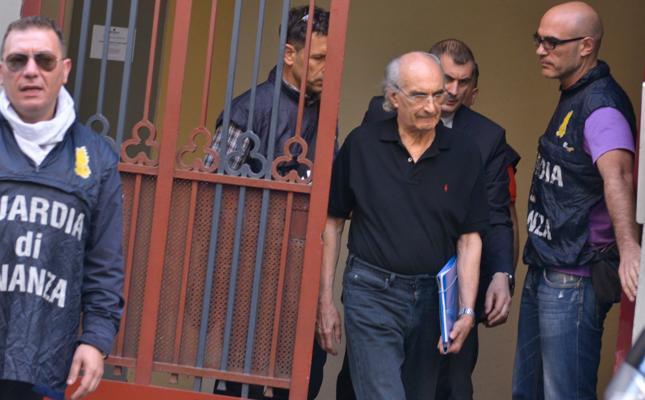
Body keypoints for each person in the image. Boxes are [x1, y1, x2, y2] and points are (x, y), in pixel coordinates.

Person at [337, 39, 518, 400]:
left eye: (462, 83)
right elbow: (347, 199)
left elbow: (493, 217)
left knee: (438, 387)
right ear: (396, 95)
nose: (450, 92)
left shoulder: (483, 140)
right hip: (375, 283)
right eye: (445, 80)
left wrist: (500, 276)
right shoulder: (375, 123)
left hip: (439, 291)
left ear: (474, 89)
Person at [512, 2, 640, 399]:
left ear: (586, 46)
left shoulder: (601, 104)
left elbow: (619, 176)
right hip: (547, 265)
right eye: (538, 40)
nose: (540, 50)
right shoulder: (575, 93)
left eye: (552, 42)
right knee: (528, 391)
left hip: (574, 277)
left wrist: (629, 249)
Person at [206, 5, 331, 399]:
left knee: (302, 378)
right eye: (319, 58)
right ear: (290, 54)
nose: (327, 69)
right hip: (249, 270)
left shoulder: (326, 113)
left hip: (300, 269)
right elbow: (211, 190)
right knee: (244, 379)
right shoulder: (249, 109)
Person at [0, 16, 124, 400]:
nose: (31, 71)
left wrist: (96, 339)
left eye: (44, 60)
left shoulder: (97, 159)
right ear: (2, 71)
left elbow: (104, 263)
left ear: (65, 70)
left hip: (47, 359)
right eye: (17, 60)